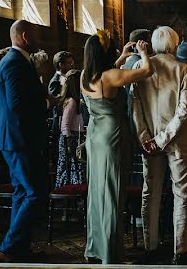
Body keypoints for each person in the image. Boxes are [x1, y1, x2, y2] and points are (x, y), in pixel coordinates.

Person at [82, 32, 152, 264]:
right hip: (112, 135)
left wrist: (122, 56)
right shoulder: (111, 77)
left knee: (97, 191)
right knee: (113, 192)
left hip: (95, 135)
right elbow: (146, 71)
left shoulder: (85, 75)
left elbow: (110, 71)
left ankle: (95, 247)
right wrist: (143, 53)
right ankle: (111, 253)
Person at [131, 26, 187, 265]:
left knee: (151, 193)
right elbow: (183, 112)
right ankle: (180, 249)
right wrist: (163, 139)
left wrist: (146, 138)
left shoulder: (141, 67)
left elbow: (135, 107)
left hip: (149, 141)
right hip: (177, 141)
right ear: (174, 44)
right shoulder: (185, 70)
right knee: (181, 194)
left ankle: (151, 247)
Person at [0, 20, 51, 263]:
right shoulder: (14, 63)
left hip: (18, 139)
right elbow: (17, 104)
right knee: (34, 193)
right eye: (35, 34)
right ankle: (6, 248)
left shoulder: (19, 61)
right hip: (19, 139)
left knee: (21, 192)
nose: (39, 38)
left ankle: (19, 247)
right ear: (25, 36)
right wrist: (47, 103)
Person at [55, 70, 84, 188]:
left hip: (74, 136)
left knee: (74, 167)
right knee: (71, 167)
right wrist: (68, 143)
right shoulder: (71, 101)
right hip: (71, 138)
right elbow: (65, 124)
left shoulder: (73, 101)